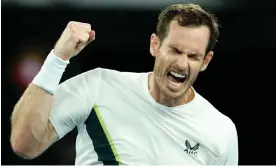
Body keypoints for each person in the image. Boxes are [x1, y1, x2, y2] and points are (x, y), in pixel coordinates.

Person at [10, 3, 239, 165]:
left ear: (206, 61)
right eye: (175, 50)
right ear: (155, 45)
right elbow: (25, 144)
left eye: (193, 56)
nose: (181, 63)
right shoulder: (99, 86)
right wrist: (58, 58)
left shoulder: (220, 131)